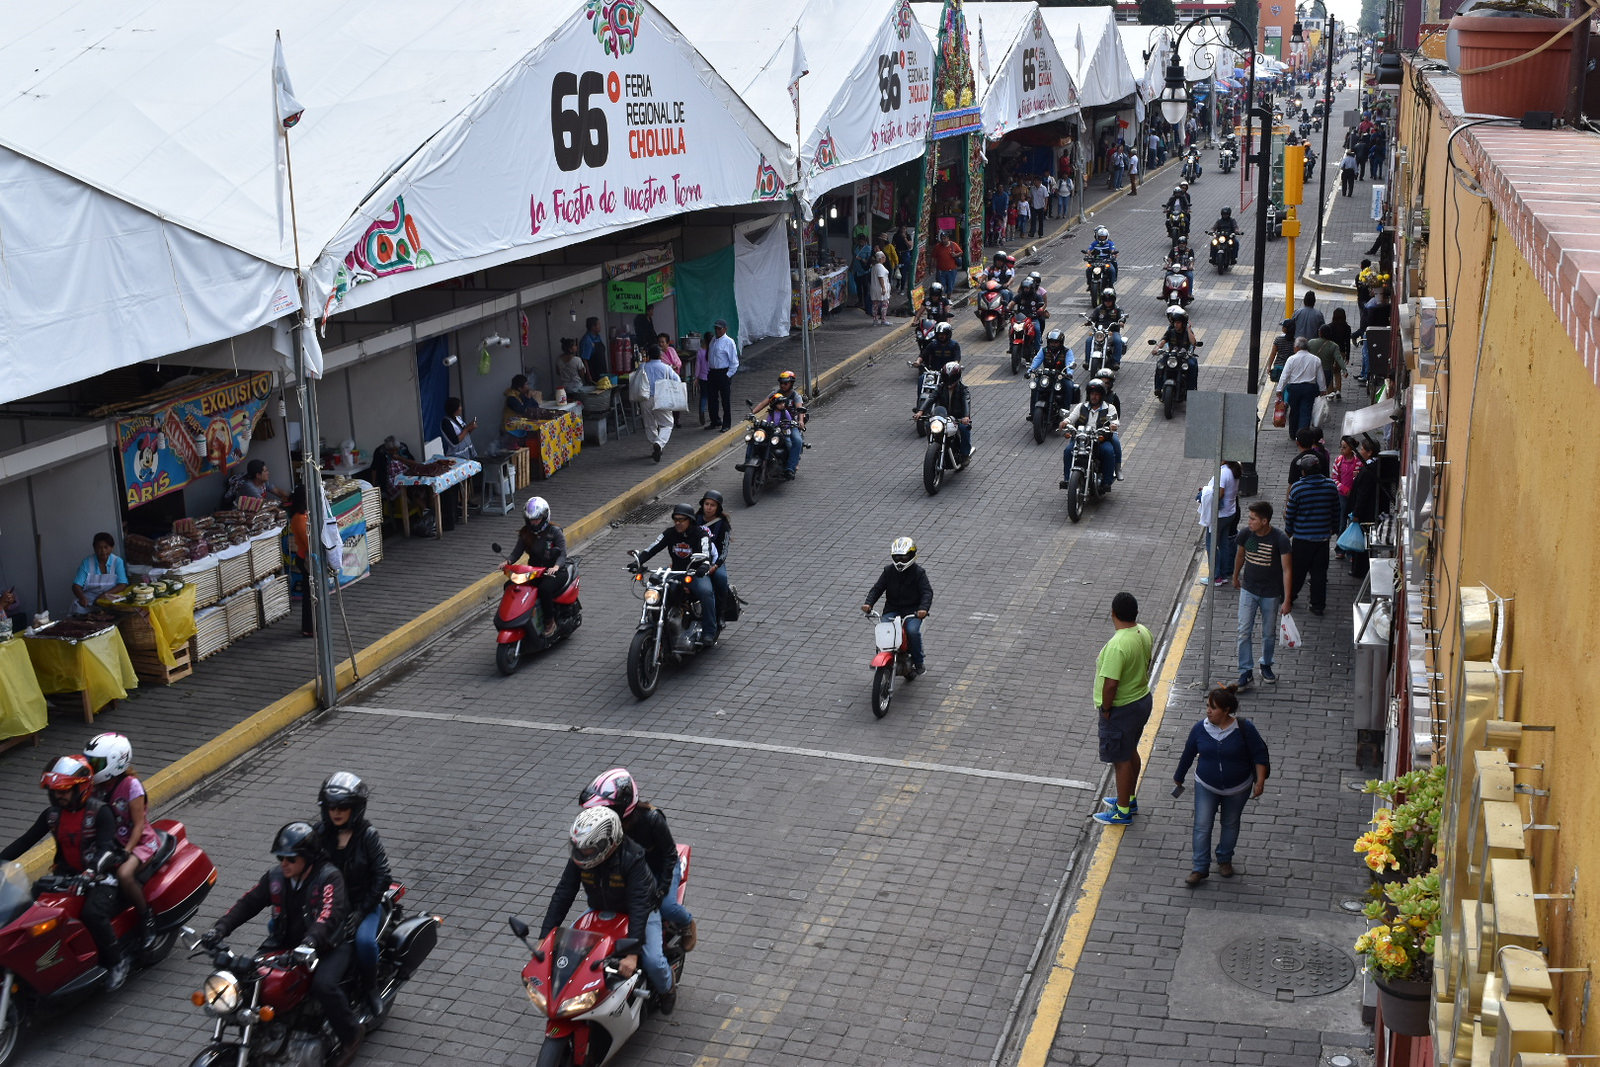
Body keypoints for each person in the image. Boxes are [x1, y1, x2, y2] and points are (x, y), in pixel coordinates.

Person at [201, 823, 361, 1064]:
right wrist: (220, 929)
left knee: (323, 986)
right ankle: (267, 1032)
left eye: (290, 858)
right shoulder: (276, 877)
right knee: (248, 980)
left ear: (308, 858)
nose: (283, 863)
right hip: (284, 944)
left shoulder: (329, 877)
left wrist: (310, 941)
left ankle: (351, 1036)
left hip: (329, 945)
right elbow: (249, 902)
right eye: (280, 857)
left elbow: (328, 914)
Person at [2, 755, 126, 988]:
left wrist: (90, 873)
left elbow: (107, 848)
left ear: (82, 788)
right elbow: (24, 841)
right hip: (65, 877)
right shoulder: (52, 815)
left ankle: (117, 962)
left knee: (93, 915)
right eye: (55, 790)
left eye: (65, 790)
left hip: (101, 878)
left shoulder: (101, 812)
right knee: (29, 911)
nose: (59, 795)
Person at [541, 807, 672, 1013]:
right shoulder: (581, 856)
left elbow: (639, 906)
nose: (582, 855)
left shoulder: (633, 858)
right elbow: (564, 892)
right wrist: (546, 935)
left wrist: (631, 954)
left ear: (609, 843)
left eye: (588, 851)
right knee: (566, 952)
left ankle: (667, 990)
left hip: (641, 912)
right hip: (600, 911)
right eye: (579, 849)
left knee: (654, 962)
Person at [580, 768, 697, 954]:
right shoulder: (608, 826)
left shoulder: (653, 819)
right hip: (633, 869)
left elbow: (669, 855)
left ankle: (687, 924)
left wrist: (662, 888)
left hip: (660, 867)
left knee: (666, 906)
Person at [313, 772, 391, 1020]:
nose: (336, 812)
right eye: (332, 806)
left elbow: (383, 876)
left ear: (355, 809)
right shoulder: (318, 833)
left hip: (363, 905)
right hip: (329, 904)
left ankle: (371, 990)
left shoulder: (368, 835)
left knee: (365, 942)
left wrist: (360, 912)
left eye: (343, 807)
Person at [1174, 688, 1270, 885]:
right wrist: (1179, 777)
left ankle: (1224, 858)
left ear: (1226, 711)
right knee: (1202, 826)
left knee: (1230, 823)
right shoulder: (1200, 729)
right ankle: (1199, 868)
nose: (1208, 711)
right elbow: (1188, 753)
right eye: (1208, 706)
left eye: (1213, 708)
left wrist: (1260, 781)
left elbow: (1259, 754)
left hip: (1238, 788)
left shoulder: (1245, 728)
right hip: (1206, 786)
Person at [84, 732, 162, 951]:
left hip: (140, 842)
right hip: (113, 843)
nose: (91, 768)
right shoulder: (97, 787)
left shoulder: (131, 785)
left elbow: (138, 824)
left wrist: (127, 851)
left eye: (97, 763)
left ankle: (147, 919)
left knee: (124, 874)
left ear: (115, 760)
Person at [1091, 592, 1154, 826]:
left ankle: (1123, 811)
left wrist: (1106, 709)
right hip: (1141, 700)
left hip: (1122, 708)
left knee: (1121, 760)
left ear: (1113, 614)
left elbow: (1111, 684)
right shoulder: (1143, 632)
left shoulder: (1118, 645)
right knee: (1130, 751)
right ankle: (1128, 798)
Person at [634, 503, 718, 646]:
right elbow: (652, 548)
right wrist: (638, 561)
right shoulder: (670, 533)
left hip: (695, 573)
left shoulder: (700, 534)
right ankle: (654, 623)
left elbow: (706, 551)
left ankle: (709, 631)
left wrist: (704, 564)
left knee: (706, 592)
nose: (678, 523)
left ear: (690, 520)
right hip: (675, 572)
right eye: (676, 520)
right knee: (655, 590)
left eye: (682, 520)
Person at [1232, 501, 1293, 690]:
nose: (1249, 522)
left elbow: (1287, 570)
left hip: (1270, 593)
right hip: (1248, 590)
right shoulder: (1247, 535)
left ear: (1264, 521)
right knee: (1243, 631)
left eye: (1253, 519)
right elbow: (1241, 555)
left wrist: (1287, 599)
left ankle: (1266, 664)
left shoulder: (1280, 539)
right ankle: (1245, 671)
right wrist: (1235, 576)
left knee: (1268, 633)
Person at [860, 536, 933, 675]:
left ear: (912, 556)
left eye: (904, 558)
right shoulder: (888, 571)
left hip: (912, 611)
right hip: (892, 610)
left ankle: (918, 661)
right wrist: (868, 603)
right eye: (897, 557)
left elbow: (927, 592)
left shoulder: (919, 573)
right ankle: (883, 654)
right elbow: (877, 589)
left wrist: (923, 608)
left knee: (912, 631)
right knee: (883, 630)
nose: (900, 561)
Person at [1283, 454, 1342, 616]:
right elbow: (1336, 511)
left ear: (1304, 471)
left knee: (1297, 571)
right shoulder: (1330, 486)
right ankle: (1317, 605)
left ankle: (1289, 597)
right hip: (1323, 538)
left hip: (1302, 538)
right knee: (1319, 574)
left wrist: (1288, 532)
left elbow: (1291, 515)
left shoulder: (1297, 488)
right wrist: (1334, 529)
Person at [511, 497, 569, 639]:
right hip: (535, 572)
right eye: (531, 520)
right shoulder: (526, 533)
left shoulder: (555, 532)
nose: (534, 522)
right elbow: (516, 552)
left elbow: (562, 554)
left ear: (544, 517)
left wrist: (556, 566)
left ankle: (550, 622)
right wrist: (507, 562)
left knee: (545, 589)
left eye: (537, 519)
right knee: (511, 585)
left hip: (555, 572)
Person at [1060, 379, 1120, 493]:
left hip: (1099, 440)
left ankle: (1106, 482)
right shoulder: (1081, 407)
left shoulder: (1109, 408)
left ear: (1102, 396)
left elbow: (1115, 421)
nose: (1094, 397)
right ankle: (1067, 480)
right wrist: (1065, 422)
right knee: (1068, 451)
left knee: (1108, 451)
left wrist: (1113, 425)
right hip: (1082, 439)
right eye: (1092, 394)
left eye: (1097, 394)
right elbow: (1071, 417)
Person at [914, 361, 972, 461]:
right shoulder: (940, 387)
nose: (949, 381)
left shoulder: (963, 389)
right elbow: (931, 398)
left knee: (964, 429)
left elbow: (966, 401)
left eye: (951, 378)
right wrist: (920, 411)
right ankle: (933, 447)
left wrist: (966, 417)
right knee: (929, 425)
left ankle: (965, 455)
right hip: (942, 416)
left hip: (958, 418)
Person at [634, 345, 682, 464]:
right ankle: (659, 444)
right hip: (662, 398)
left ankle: (656, 444)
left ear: (648, 356)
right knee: (667, 424)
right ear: (661, 355)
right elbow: (677, 381)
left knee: (650, 425)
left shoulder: (642, 367)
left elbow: (636, 381)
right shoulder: (666, 368)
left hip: (645, 399)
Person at [694, 490, 735, 625]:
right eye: (707, 504)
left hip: (714, 561)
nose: (709, 507)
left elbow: (724, 550)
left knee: (721, 578)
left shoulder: (723, 525)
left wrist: (715, 565)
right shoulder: (695, 519)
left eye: (712, 505)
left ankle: (720, 614)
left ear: (718, 508)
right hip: (695, 560)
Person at [1346, 435, 1383, 578]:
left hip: (1365, 513)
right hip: (1370, 511)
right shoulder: (1374, 466)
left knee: (1362, 541)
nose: (1360, 451)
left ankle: (1359, 569)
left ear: (1369, 452)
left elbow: (1362, 495)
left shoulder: (1369, 470)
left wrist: (1356, 513)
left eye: (1362, 449)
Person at [1200, 461, 1241, 586]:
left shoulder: (1223, 472)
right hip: (1230, 512)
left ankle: (1215, 577)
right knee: (1223, 544)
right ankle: (1223, 574)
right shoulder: (1235, 468)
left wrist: (1206, 493)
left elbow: (1220, 492)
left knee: (1211, 545)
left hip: (1220, 515)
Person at [1277, 339, 1327, 440]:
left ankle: (1293, 433)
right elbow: (1320, 377)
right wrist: (1323, 389)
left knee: (1294, 410)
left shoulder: (1291, 359)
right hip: (1309, 388)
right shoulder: (1315, 359)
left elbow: (1285, 376)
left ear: (1297, 347)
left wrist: (1279, 389)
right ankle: (1303, 435)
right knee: (1306, 411)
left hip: (1294, 388)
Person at [71, 532, 129, 614]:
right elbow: (76, 585)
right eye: (99, 547)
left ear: (112, 548)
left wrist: (104, 595)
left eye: (106, 547)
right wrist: (82, 598)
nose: (103, 551)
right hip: (88, 604)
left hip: (109, 602)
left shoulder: (117, 561)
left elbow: (123, 584)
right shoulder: (87, 562)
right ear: (94, 548)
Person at [286, 486, 314, 637]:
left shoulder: (303, 516)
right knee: (310, 596)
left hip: (307, 558)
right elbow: (309, 542)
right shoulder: (299, 518)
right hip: (306, 559)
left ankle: (312, 626)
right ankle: (309, 627)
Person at [705, 320, 739, 433]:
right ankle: (715, 420)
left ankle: (727, 423)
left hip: (723, 372)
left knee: (725, 400)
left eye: (719, 329)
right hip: (713, 372)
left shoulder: (729, 342)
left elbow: (734, 362)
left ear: (725, 329)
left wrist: (728, 375)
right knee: (712, 399)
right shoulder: (713, 340)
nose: (717, 331)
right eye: (716, 328)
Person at [772, 370, 807, 478]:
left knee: (797, 440)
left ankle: (791, 467)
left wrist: (800, 421)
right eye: (781, 383)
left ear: (791, 384)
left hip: (790, 425)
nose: (783, 385)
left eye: (785, 383)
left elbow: (800, 409)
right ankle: (748, 461)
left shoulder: (795, 396)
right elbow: (763, 403)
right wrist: (752, 413)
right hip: (775, 425)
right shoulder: (775, 394)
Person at [1159, 306, 1200, 394]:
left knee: (1192, 364)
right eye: (1175, 323)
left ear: (1183, 323)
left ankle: (1191, 390)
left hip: (1184, 357)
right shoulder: (1171, 331)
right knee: (1160, 365)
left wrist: (1189, 329)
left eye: (1178, 323)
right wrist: (1157, 348)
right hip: (1172, 356)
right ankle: (1158, 388)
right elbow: (1163, 340)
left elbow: (1193, 342)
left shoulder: (1187, 331)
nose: (1176, 325)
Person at [1332, 435, 1362, 554]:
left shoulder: (1358, 462)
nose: (1342, 450)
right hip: (1342, 496)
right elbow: (1334, 478)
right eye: (1341, 447)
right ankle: (1340, 549)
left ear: (1351, 448)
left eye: (1344, 447)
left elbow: (1360, 478)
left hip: (1354, 496)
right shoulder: (1339, 460)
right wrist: (1343, 489)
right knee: (1342, 521)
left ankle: (1350, 548)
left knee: (1352, 521)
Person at [502, 374, 552, 443]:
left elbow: (535, 406)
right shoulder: (511, 398)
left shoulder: (521, 394)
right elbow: (523, 411)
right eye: (526, 384)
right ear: (520, 388)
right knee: (538, 430)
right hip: (512, 427)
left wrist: (529, 398)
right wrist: (528, 398)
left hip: (522, 423)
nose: (528, 387)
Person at [1085, 287, 1126, 369]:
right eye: (1105, 300)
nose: (1107, 302)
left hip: (1112, 331)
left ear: (1113, 300)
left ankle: (1116, 362)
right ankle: (1087, 361)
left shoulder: (1117, 309)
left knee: (1118, 341)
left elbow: (1122, 316)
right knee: (1089, 340)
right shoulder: (1099, 308)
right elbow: (1092, 317)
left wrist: (1121, 321)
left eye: (1109, 300)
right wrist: (1089, 321)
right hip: (1099, 332)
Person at [850, 233, 873, 314]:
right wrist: (851, 267)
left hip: (864, 272)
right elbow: (854, 258)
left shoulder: (868, 249)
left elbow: (869, 261)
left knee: (865, 288)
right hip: (857, 270)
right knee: (858, 287)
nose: (860, 243)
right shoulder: (856, 248)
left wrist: (861, 259)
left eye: (862, 241)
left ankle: (866, 303)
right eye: (859, 241)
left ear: (864, 241)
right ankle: (860, 301)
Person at [869, 251, 892, 326]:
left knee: (875, 304)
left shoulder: (874, 266)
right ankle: (883, 319)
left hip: (874, 288)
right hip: (880, 288)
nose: (885, 258)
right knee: (885, 304)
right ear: (881, 258)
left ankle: (875, 320)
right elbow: (880, 277)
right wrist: (884, 288)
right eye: (884, 257)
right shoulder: (880, 267)